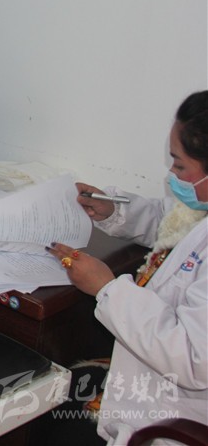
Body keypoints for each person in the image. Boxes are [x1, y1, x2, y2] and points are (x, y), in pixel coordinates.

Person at [46, 90, 208, 445]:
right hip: (144, 385)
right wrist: (115, 210)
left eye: (180, 166)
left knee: (48, 422)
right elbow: (174, 223)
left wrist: (108, 289)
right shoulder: (201, 208)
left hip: (172, 421)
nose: (172, 173)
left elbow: (194, 359)